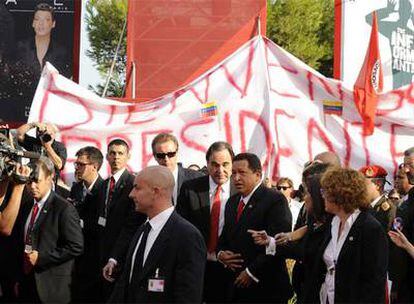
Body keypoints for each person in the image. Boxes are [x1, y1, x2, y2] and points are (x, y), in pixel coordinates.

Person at [108, 166, 206, 303]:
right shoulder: (142, 230)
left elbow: (188, 296)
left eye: (137, 188)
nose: (131, 194)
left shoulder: (187, 236)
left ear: (155, 192)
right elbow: (126, 283)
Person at [217, 153, 293, 303]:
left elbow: (278, 243)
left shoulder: (274, 200)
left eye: (242, 173)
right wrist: (221, 254)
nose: (236, 178)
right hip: (236, 288)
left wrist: (251, 272)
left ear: (257, 174)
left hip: (266, 288)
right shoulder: (232, 202)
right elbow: (225, 237)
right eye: (234, 173)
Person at [309, 167, 388, 303]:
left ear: (340, 194)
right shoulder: (333, 222)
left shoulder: (369, 228)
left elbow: (374, 282)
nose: (322, 196)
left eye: (325, 191)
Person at [15, 157, 84, 303]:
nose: (32, 186)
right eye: (28, 182)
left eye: (37, 181)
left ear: (50, 178)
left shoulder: (64, 208)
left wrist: (41, 257)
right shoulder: (26, 206)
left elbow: (76, 246)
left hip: (51, 287)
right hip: (27, 284)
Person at [177, 141, 236, 302]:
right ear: (207, 164)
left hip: (230, 267)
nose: (220, 170)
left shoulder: (241, 190)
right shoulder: (190, 188)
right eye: (215, 165)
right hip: (197, 265)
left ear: (232, 163)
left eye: (225, 164)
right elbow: (182, 227)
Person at [99, 139, 146, 300]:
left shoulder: (134, 184)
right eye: (112, 153)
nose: (116, 157)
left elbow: (131, 226)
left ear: (128, 156)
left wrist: (115, 257)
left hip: (123, 257)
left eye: (120, 153)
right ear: (107, 156)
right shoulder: (104, 185)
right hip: (102, 254)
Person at [69, 146, 105, 303]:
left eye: (81, 164)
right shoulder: (76, 188)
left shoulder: (104, 189)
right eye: (76, 164)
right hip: (76, 255)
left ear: (94, 166)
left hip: (94, 256)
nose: (77, 167)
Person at [16, 3, 71, 78]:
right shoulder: (20, 48)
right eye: (37, 19)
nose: (41, 23)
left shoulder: (61, 52)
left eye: (46, 20)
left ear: (53, 24)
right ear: (33, 23)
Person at [151, 133, 202, 205]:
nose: (166, 159)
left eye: (170, 154)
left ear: (177, 152)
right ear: (155, 156)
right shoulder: (149, 183)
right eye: (161, 155)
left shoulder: (196, 178)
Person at [392, 147, 414, 302]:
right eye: (405, 165)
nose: (406, 170)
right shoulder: (408, 201)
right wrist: (396, 285)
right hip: (406, 285)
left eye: (410, 165)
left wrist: (409, 247)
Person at [360, 165, 396, 231]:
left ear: (378, 185)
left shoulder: (389, 210)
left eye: (364, 184)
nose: (361, 188)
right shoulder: (362, 206)